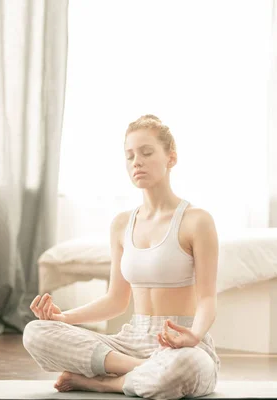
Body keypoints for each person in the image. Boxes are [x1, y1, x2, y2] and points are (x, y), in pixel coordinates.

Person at [23, 114, 220, 400]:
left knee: (185, 366)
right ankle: (142, 370)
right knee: (35, 332)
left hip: (181, 344)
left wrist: (195, 335)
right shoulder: (121, 224)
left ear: (171, 158)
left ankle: (104, 383)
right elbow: (116, 300)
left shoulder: (197, 221)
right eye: (129, 156)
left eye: (146, 152)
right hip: (129, 343)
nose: (136, 162)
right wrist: (63, 318)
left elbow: (207, 300)